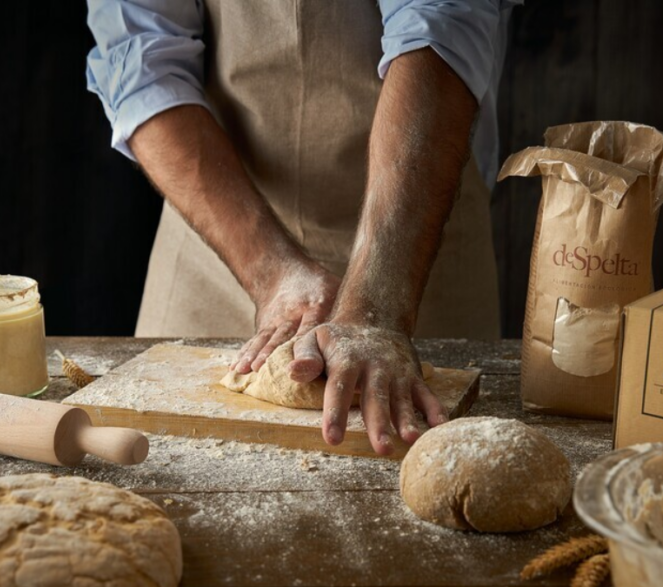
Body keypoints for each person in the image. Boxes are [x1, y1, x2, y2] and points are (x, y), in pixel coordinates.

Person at [86, 0, 519, 455]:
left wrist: (376, 309)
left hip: (416, 247)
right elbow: (140, 65)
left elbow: (439, 29)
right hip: (215, 254)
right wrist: (270, 269)